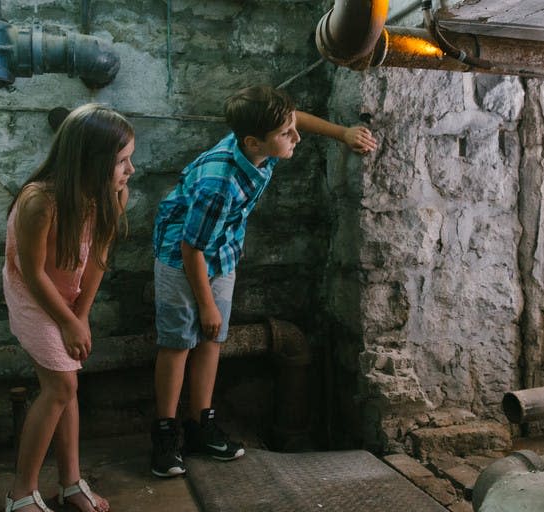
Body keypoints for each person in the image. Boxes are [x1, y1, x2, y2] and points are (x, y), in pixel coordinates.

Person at [150, 85, 377, 478]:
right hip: (182, 258)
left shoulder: (259, 143)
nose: (297, 137)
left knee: (213, 339)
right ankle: (165, 435)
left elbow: (297, 118)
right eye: (287, 134)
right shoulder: (220, 182)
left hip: (221, 253)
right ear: (255, 141)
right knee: (178, 344)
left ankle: (200, 424)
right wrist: (205, 303)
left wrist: (342, 132)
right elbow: (190, 247)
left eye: (291, 129)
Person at [0, 103, 135, 512]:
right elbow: (32, 272)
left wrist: (81, 316)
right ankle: (20, 494)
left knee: (67, 379)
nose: (131, 169)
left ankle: (71, 481)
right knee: (61, 384)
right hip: (32, 292)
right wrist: (64, 321)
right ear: (91, 161)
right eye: (122, 161)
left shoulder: (110, 193)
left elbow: (96, 258)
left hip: (68, 292)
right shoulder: (41, 200)